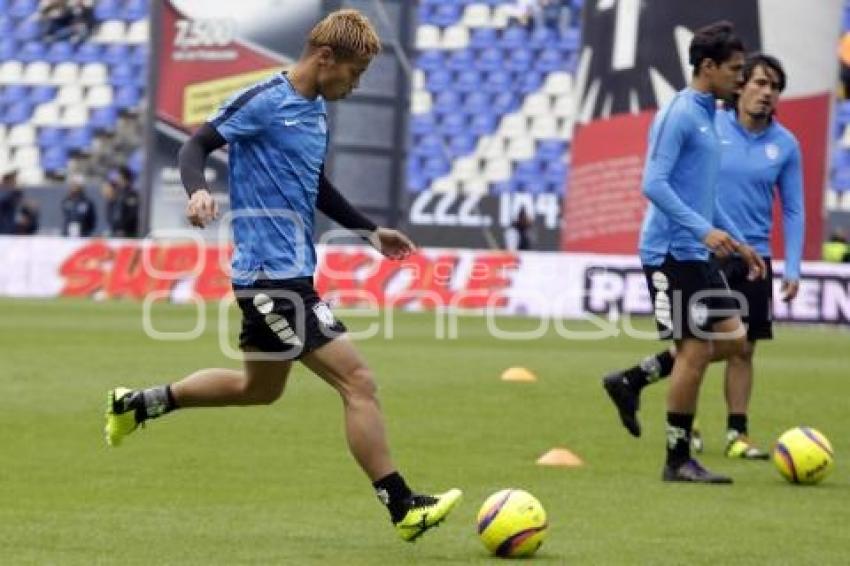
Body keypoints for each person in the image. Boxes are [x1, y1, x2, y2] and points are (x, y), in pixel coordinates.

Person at [104, 9, 461, 542]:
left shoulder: (315, 110)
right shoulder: (265, 100)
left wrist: (368, 231)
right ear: (324, 58)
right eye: (354, 73)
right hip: (272, 280)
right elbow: (194, 145)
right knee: (358, 382)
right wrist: (198, 189)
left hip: (289, 274)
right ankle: (403, 506)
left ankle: (137, 405)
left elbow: (313, 183)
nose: (355, 84)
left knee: (258, 389)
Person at [603, 54, 804, 461]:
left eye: (775, 87)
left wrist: (793, 265)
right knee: (696, 345)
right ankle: (685, 430)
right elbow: (672, 185)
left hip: (750, 250)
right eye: (759, 82)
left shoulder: (785, 144)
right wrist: (709, 233)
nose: (766, 93)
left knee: (740, 346)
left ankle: (735, 433)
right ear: (742, 84)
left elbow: (794, 208)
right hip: (703, 247)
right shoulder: (708, 125)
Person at [0, 169, 40, 235]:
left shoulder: (16, 195)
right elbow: (5, 200)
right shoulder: (5, 193)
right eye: (13, 180)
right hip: (4, 233)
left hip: (14, 234)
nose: (15, 182)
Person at [103, 166, 139, 237]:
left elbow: (132, 214)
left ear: (123, 177)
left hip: (128, 233)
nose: (116, 179)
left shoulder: (131, 194)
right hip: (116, 231)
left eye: (118, 176)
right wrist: (115, 227)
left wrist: (123, 228)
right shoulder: (118, 193)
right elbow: (112, 212)